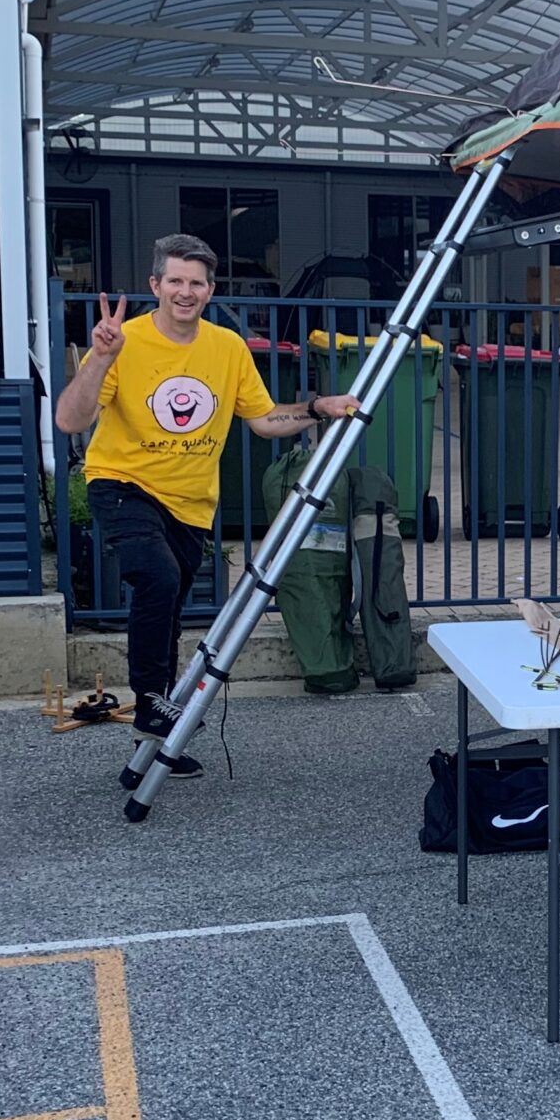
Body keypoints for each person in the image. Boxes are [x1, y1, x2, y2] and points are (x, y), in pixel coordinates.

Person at [54, 233, 362, 777]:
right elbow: (71, 421)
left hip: (191, 502)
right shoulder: (124, 341)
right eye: (174, 280)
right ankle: (151, 703)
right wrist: (99, 359)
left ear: (210, 289)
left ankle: (148, 753)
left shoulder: (226, 346)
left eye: (196, 282)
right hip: (122, 482)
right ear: (155, 285)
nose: (185, 291)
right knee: (158, 577)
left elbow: (265, 420)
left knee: (168, 610)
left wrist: (318, 406)